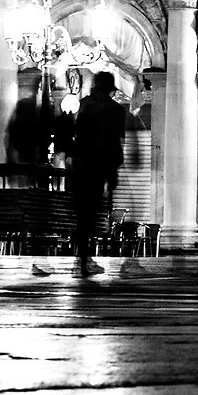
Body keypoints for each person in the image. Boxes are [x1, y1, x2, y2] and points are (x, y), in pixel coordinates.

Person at [69, 70, 127, 274]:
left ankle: (82, 258)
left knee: (83, 214)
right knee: (93, 212)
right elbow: (115, 142)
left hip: (81, 166)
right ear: (111, 89)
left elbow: (77, 133)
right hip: (101, 166)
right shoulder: (116, 110)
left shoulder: (85, 105)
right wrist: (113, 172)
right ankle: (85, 259)